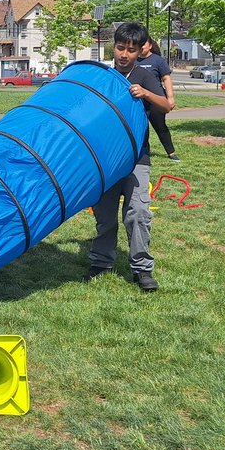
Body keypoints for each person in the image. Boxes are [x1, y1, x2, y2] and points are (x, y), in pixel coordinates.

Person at [87, 22, 172, 291]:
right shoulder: (105, 76)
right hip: (107, 160)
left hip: (137, 158)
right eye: (120, 48)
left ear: (140, 51)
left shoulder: (144, 76)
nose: (124, 54)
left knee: (137, 212)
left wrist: (145, 93)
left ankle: (142, 269)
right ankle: (101, 262)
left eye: (131, 50)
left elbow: (167, 105)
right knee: (105, 212)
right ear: (114, 47)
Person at [138, 36, 179, 162]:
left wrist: (170, 98)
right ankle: (143, 153)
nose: (140, 47)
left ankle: (171, 152)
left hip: (156, 101)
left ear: (150, 45)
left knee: (160, 127)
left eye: (143, 44)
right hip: (138, 101)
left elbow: (166, 79)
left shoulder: (158, 60)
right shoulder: (133, 60)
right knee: (140, 129)